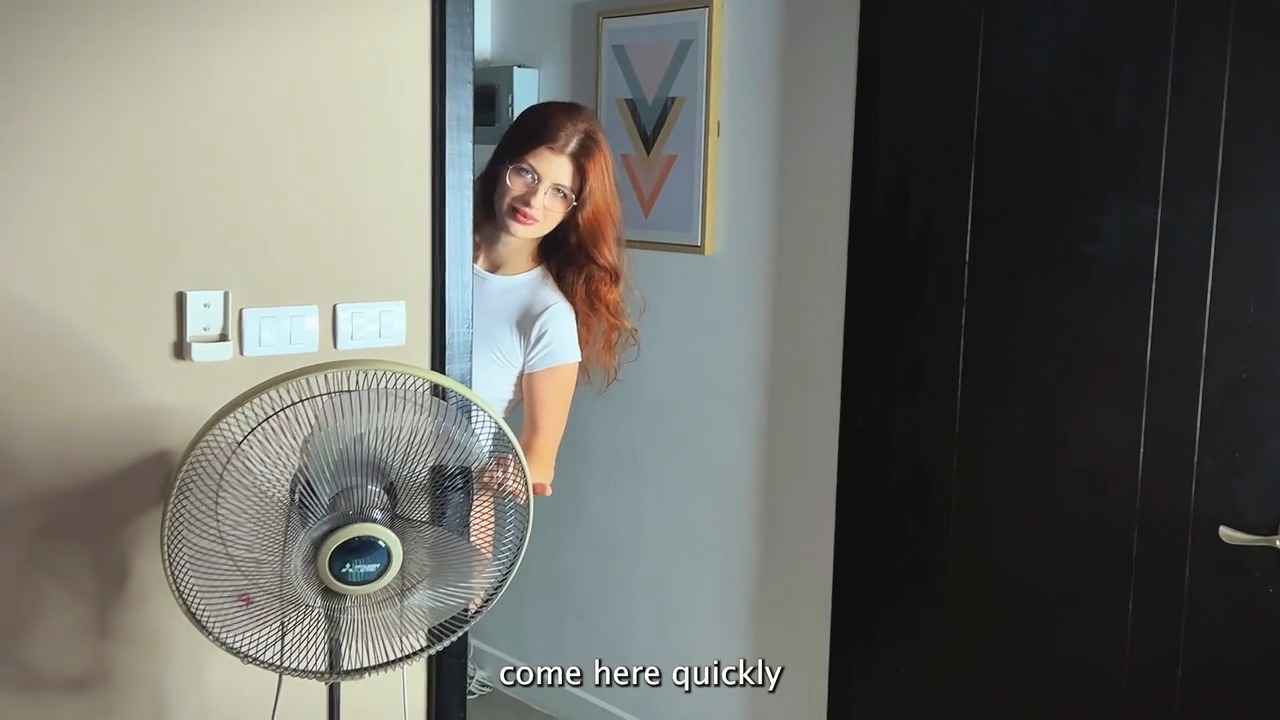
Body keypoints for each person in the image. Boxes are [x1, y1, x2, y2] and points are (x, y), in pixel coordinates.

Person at [465, 100, 639, 698]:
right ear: (502, 163)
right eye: (527, 173)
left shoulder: (546, 315)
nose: (534, 200)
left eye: (559, 193)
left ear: (573, 210)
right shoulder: (427, 243)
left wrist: (509, 473)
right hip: (352, 469)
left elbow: (539, 458)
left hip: (447, 501)